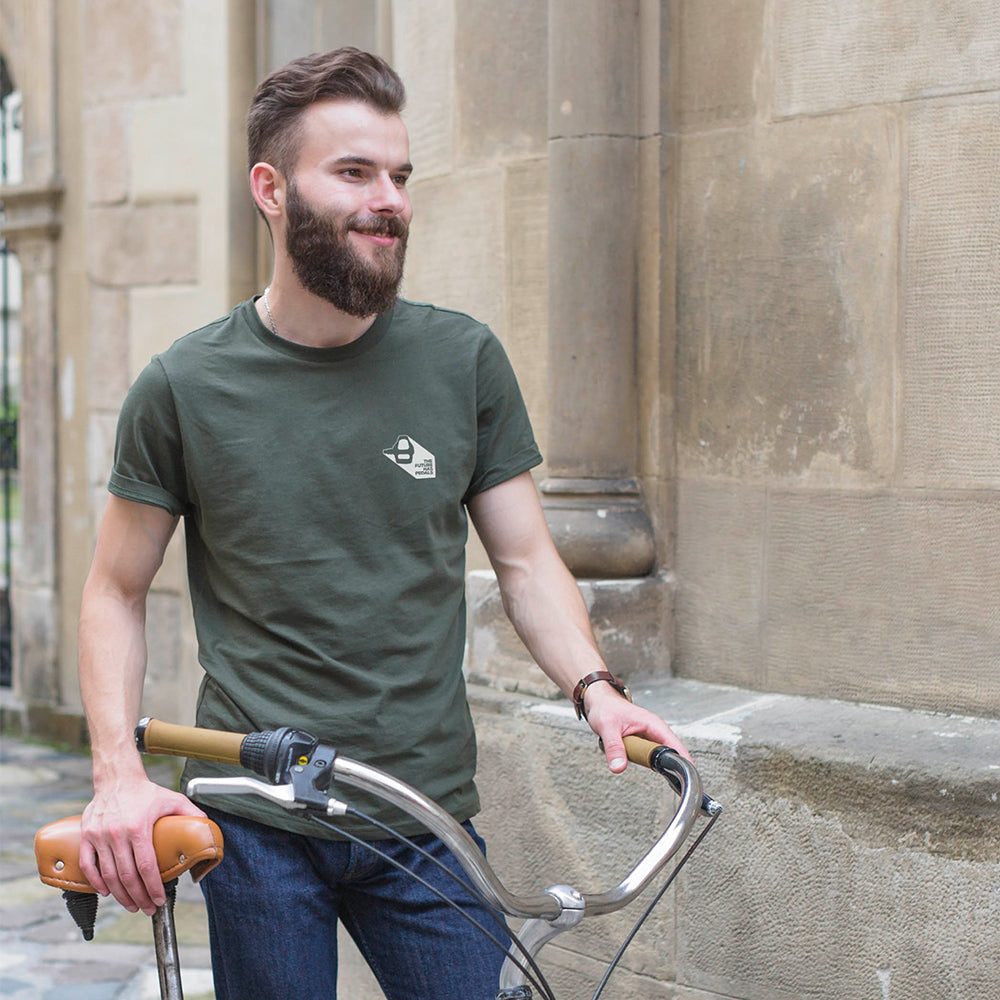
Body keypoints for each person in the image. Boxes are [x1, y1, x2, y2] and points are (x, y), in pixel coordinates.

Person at [78, 47, 690, 1000]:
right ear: (271, 189)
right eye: (355, 172)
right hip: (255, 818)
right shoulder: (185, 385)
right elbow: (114, 589)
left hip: (424, 817)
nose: (390, 199)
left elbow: (526, 562)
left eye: (400, 175)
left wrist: (598, 689)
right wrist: (118, 775)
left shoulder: (463, 360)